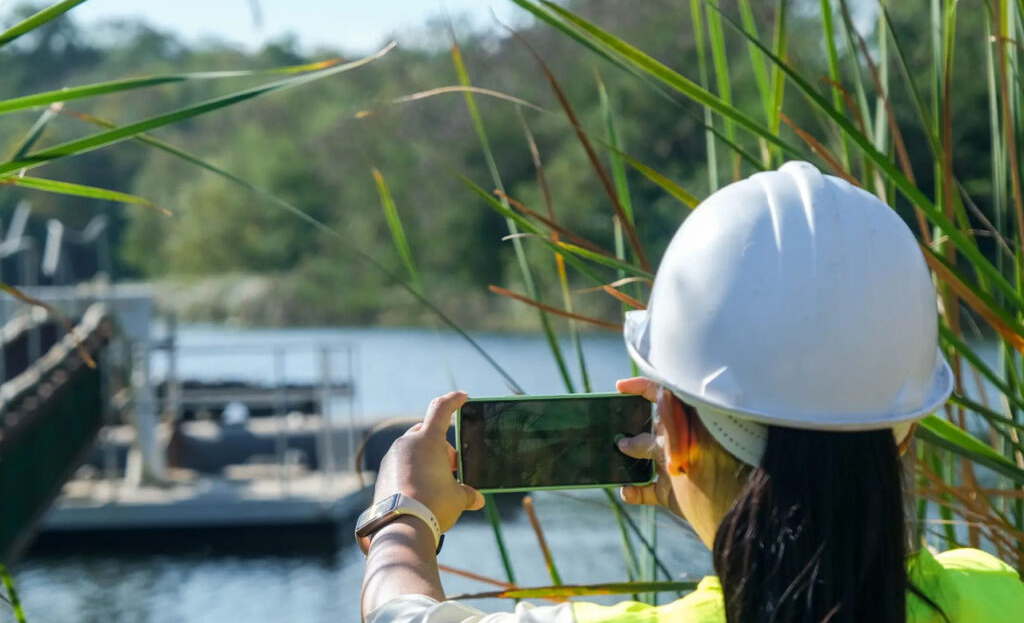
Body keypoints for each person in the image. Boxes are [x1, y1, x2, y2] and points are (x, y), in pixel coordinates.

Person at [359, 162, 1024, 622]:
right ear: (905, 425)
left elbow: (398, 612)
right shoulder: (995, 595)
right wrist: (726, 505)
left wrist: (402, 513)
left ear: (674, 435)